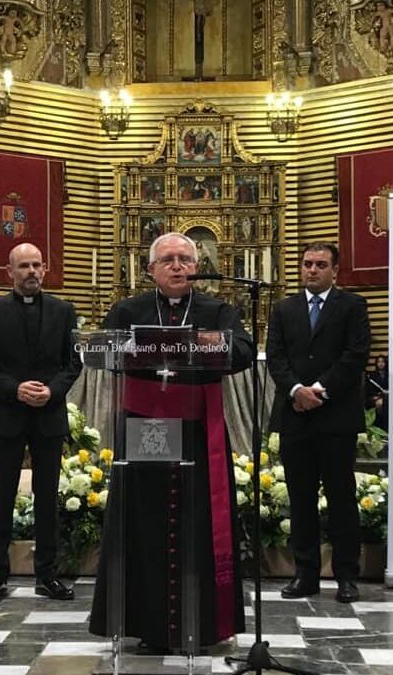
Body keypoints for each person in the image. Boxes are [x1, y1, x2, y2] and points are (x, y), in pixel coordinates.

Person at [89, 232, 253, 653]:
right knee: (144, 519)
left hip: (198, 430)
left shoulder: (217, 310)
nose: (177, 266)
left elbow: (244, 350)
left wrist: (200, 342)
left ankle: (206, 622)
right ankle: (147, 625)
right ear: (150, 270)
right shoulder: (128, 310)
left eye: (185, 259)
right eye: (168, 260)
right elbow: (99, 351)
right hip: (148, 427)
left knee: (197, 517)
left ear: (197, 267)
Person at [0, 243, 82, 602]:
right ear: (9, 271)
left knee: (48, 498)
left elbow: (72, 363)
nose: (31, 271)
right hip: (8, 415)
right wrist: (15, 389)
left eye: (37, 265)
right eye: (24, 266)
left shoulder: (64, 311)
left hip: (48, 415)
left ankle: (47, 575)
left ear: (45, 270)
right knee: (2, 496)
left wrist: (53, 391)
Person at [266, 242, 370, 603]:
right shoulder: (283, 308)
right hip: (295, 417)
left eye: (320, 265)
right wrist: (296, 389)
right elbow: (275, 357)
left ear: (334, 271)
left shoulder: (352, 306)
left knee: (342, 499)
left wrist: (319, 391)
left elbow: (356, 356)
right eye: (307, 264)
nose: (312, 270)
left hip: (336, 416)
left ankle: (346, 576)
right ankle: (305, 574)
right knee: (300, 500)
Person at [366, 354, 388, 431]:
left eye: (382, 361)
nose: (381, 363)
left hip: (388, 397)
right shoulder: (372, 376)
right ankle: (380, 427)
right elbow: (369, 390)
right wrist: (377, 396)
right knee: (380, 403)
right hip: (376, 397)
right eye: (379, 362)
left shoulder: (389, 375)